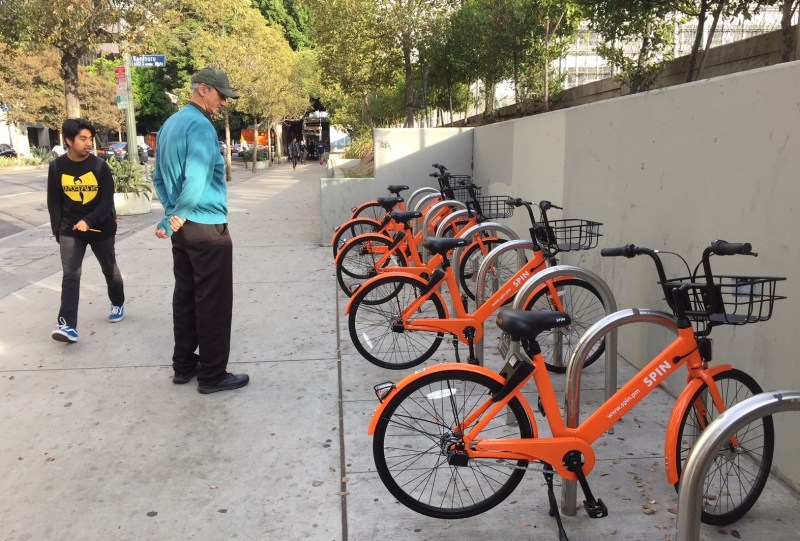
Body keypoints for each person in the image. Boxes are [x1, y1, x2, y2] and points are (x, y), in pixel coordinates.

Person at [152, 67, 249, 394]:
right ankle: (212, 374)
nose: (224, 102)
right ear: (203, 89)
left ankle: (183, 365)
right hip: (206, 227)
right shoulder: (201, 126)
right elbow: (197, 179)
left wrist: (172, 215)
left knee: (186, 296)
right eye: (222, 95)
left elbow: (157, 177)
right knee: (213, 302)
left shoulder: (169, 124)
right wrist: (178, 213)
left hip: (183, 230)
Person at [47, 118, 125, 343]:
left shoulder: (99, 166)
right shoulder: (57, 167)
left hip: (100, 227)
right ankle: (67, 325)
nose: (89, 143)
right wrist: (58, 231)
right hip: (70, 229)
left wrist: (89, 221)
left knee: (109, 269)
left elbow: (106, 201)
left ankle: (118, 302)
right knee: (71, 274)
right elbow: (54, 202)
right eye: (83, 139)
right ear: (69, 141)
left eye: (90, 138)